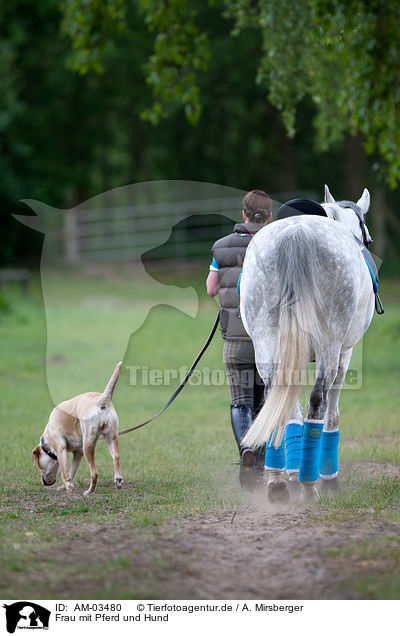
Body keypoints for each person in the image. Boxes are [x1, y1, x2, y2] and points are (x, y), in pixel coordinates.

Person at [206, 190, 273, 487]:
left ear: (242, 214)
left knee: (240, 402)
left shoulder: (221, 247)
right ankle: (261, 458)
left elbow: (211, 289)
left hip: (234, 339)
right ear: (268, 216)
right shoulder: (276, 243)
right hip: (269, 340)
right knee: (264, 401)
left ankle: (248, 454)